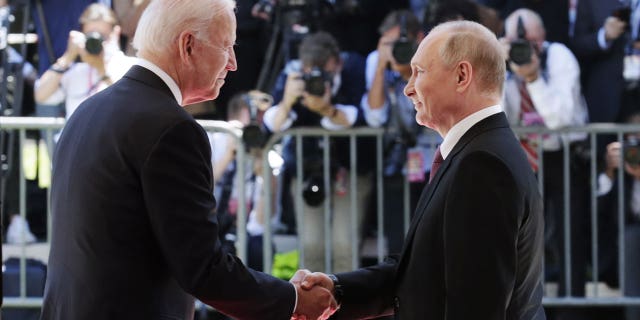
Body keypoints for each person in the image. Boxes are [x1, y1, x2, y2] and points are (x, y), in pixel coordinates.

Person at [41, 1, 337, 319]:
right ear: (188, 45)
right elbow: (202, 267)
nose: (234, 63)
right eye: (226, 46)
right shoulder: (171, 127)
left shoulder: (87, 111)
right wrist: (292, 300)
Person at [293, 20, 546, 320]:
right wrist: (337, 288)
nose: (408, 88)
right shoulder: (476, 152)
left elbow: (476, 306)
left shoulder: (482, 164)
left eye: (419, 72)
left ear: (462, 75)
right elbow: (424, 272)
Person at [500, 8, 591, 308]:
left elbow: (561, 118)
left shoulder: (560, 56)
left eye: (533, 42)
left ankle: (572, 312)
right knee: (520, 241)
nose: (527, 50)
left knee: (569, 239)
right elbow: (496, 117)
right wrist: (497, 67)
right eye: (519, 43)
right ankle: (522, 310)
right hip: (522, 160)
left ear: (544, 39)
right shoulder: (501, 60)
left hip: (562, 156)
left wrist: (535, 78)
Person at [263, 31, 370, 273]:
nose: (321, 79)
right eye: (314, 73)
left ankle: (348, 306)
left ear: (338, 63)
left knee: (345, 245)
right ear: (303, 67)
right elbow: (272, 125)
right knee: (311, 246)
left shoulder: (355, 68)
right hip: (307, 168)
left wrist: (328, 109)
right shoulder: (292, 76)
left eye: (328, 73)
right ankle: (313, 306)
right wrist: (288, 101)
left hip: (350, 169)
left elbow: (367, 117)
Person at [360, 9, 440, 255]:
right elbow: (375, 115)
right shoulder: (377, 60)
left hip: (434, 163)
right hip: (395, 161)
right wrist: (382, 69)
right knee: (398, 242)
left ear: (418, 38)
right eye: (388, 44)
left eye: (399, 43)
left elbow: (434, 110)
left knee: (434, 238)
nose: (395, 49)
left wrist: (413, 71)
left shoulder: (435, 59)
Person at [34, 3, 135, 120]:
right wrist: (67, 57)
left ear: (115, 33)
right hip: (79, 137)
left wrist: (102, 71)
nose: (96, 42)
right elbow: (41, 96)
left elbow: (130, 104)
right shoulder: (75, 70)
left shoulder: (131, 67)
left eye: (102, 36)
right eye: (90, 36)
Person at [597, 111, 640, 320]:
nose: (636, 146)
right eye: (632, 138)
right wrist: (609, 172)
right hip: (626, 244)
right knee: (631, 238)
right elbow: (600, 214)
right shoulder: (620, 167)